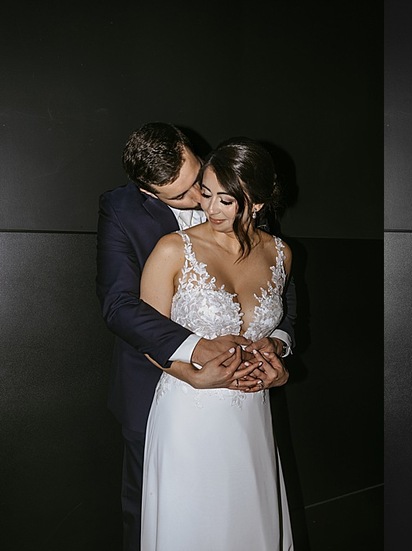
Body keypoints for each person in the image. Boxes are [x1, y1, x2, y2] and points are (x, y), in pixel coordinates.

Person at [96, 122, 295, 550]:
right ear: (150, 193)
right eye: (183, 195)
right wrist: (195, 354)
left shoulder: (234, 185)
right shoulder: (124, 212)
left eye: (198, 182)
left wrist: (277, 346)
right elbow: (119, 305)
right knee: (158, 516)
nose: (202, 201)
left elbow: (274, 290)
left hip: (248, 409)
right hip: (161, 387)